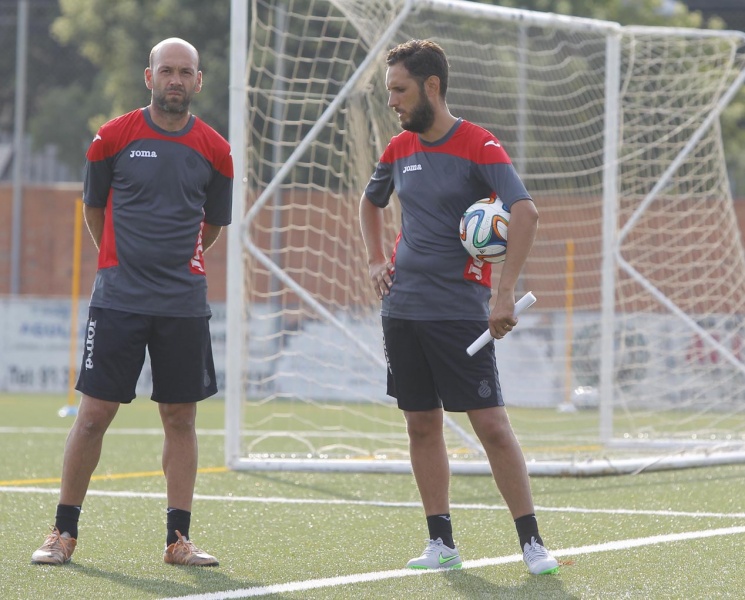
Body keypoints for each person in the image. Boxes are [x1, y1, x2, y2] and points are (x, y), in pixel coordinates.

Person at [359, 39, 559, 575]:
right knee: (420, 425)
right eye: (389, 92)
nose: (393, 102)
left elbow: (525, 212)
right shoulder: (397, 148)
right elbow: (370, 203)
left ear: (431, 86)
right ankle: (441, 544)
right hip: (402, 311)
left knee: (491, 426)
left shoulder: (477, 143)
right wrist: (377, 258)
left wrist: (503, 290)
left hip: (460, 314)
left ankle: (532, 543)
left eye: (399, 90)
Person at [31, 37, 233, 567]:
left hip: (184, 304)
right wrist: (119, 263)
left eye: (185, 72)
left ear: (198, 80)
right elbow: (93, 208)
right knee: (94, 415)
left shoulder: (217, 150)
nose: (175, 80)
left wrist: (177, 262)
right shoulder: (112, 138)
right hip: (119, 299)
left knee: (180, 419)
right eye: (166, 71)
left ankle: (178, 541)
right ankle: (62, 532)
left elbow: (212, 224)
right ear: (149, 77)